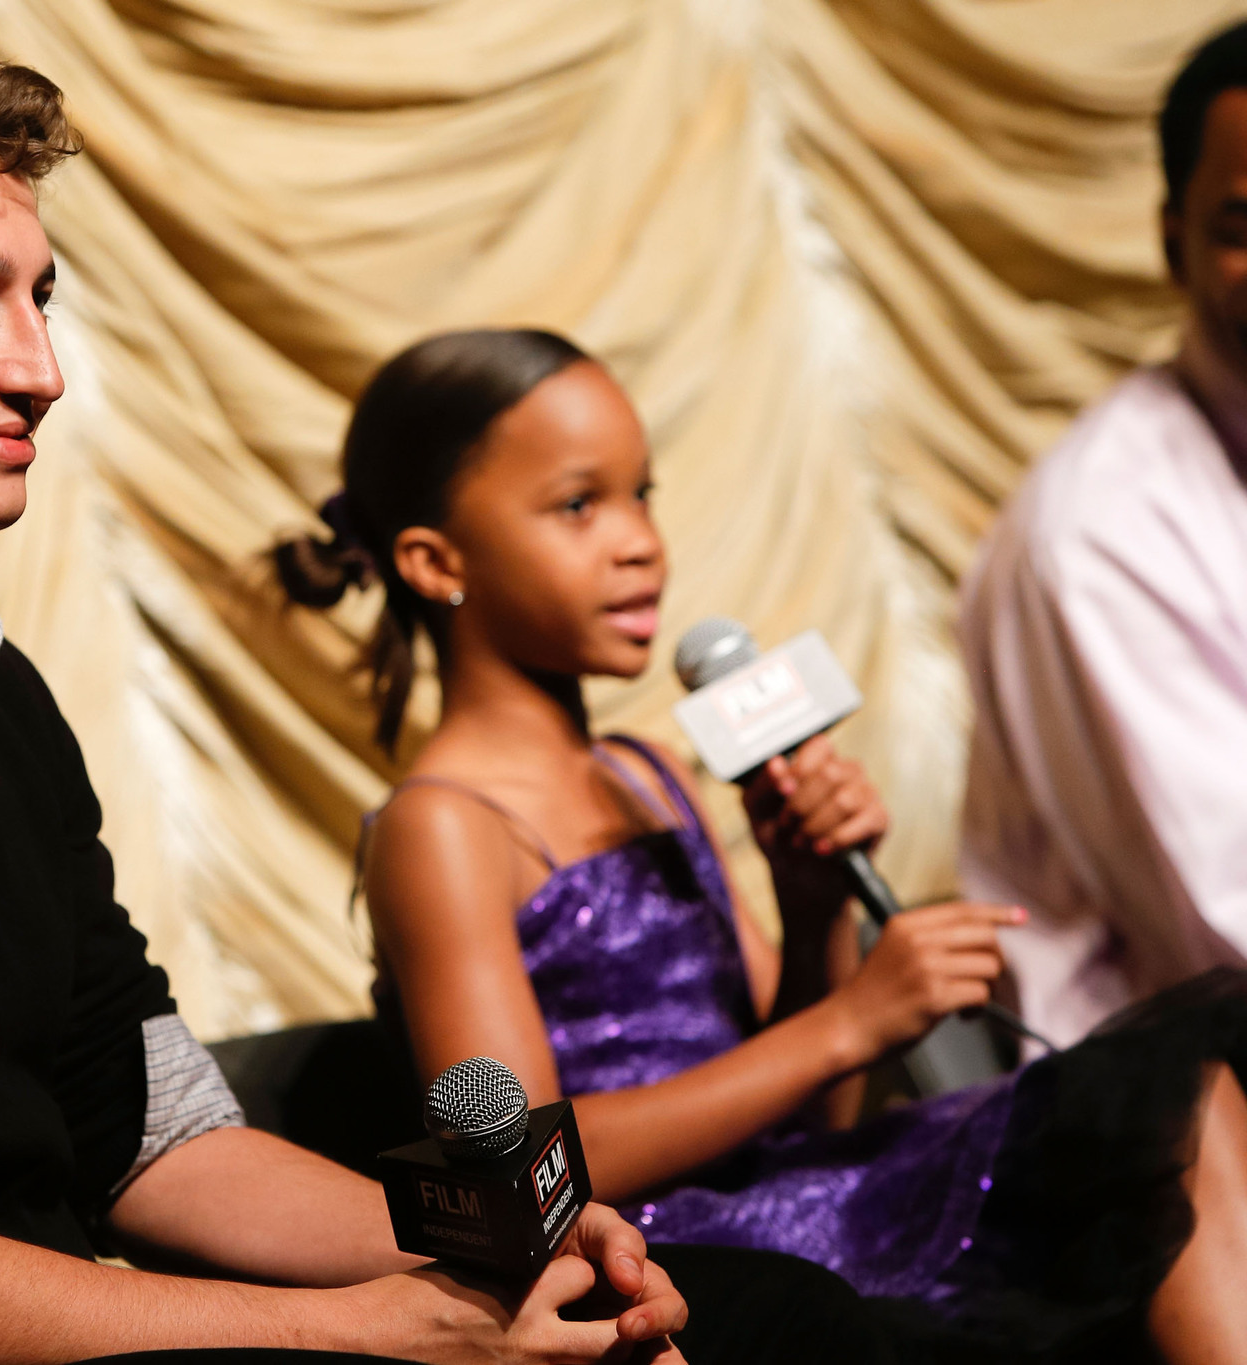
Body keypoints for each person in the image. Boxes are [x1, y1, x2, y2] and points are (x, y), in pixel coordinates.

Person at [0, 26, 891, 1365]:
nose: (39, 367)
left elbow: (156, 1133)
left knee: (775, 1315)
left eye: (37, 301)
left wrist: (498, 1240)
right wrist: (364, 1336)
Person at [276, 327, 1247, 1364]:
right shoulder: (441, 826)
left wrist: (811, 904)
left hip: (817, 1195)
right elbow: (522, 1172)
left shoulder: (647, 770)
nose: (638, 539)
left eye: (641, 494)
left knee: (1186, 1085)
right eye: (578, 505)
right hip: (687, 1254)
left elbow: (820, 1118)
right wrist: (849, 1020)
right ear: (435, 561)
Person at [958, 22, 1247, 1048]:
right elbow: (1225, 928)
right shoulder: (1095, 534)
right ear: (1171, 241)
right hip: (1168, 1116)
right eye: (1241, 222)